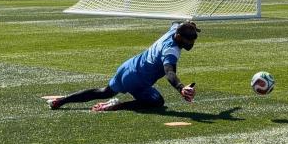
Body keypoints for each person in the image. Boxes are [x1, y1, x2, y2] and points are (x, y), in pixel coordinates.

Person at [48, 22, 200, 111]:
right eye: (189, 40)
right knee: (158, 103)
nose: (191, 43)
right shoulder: (171, 50)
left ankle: (61, 101)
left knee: (104, 91)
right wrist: (181, 87)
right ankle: (116, 105)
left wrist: (190, 24)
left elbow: (177, 23)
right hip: (138, 80)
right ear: (179, 37)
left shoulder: (174, 29)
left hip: (128, 66)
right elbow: (169, 72)